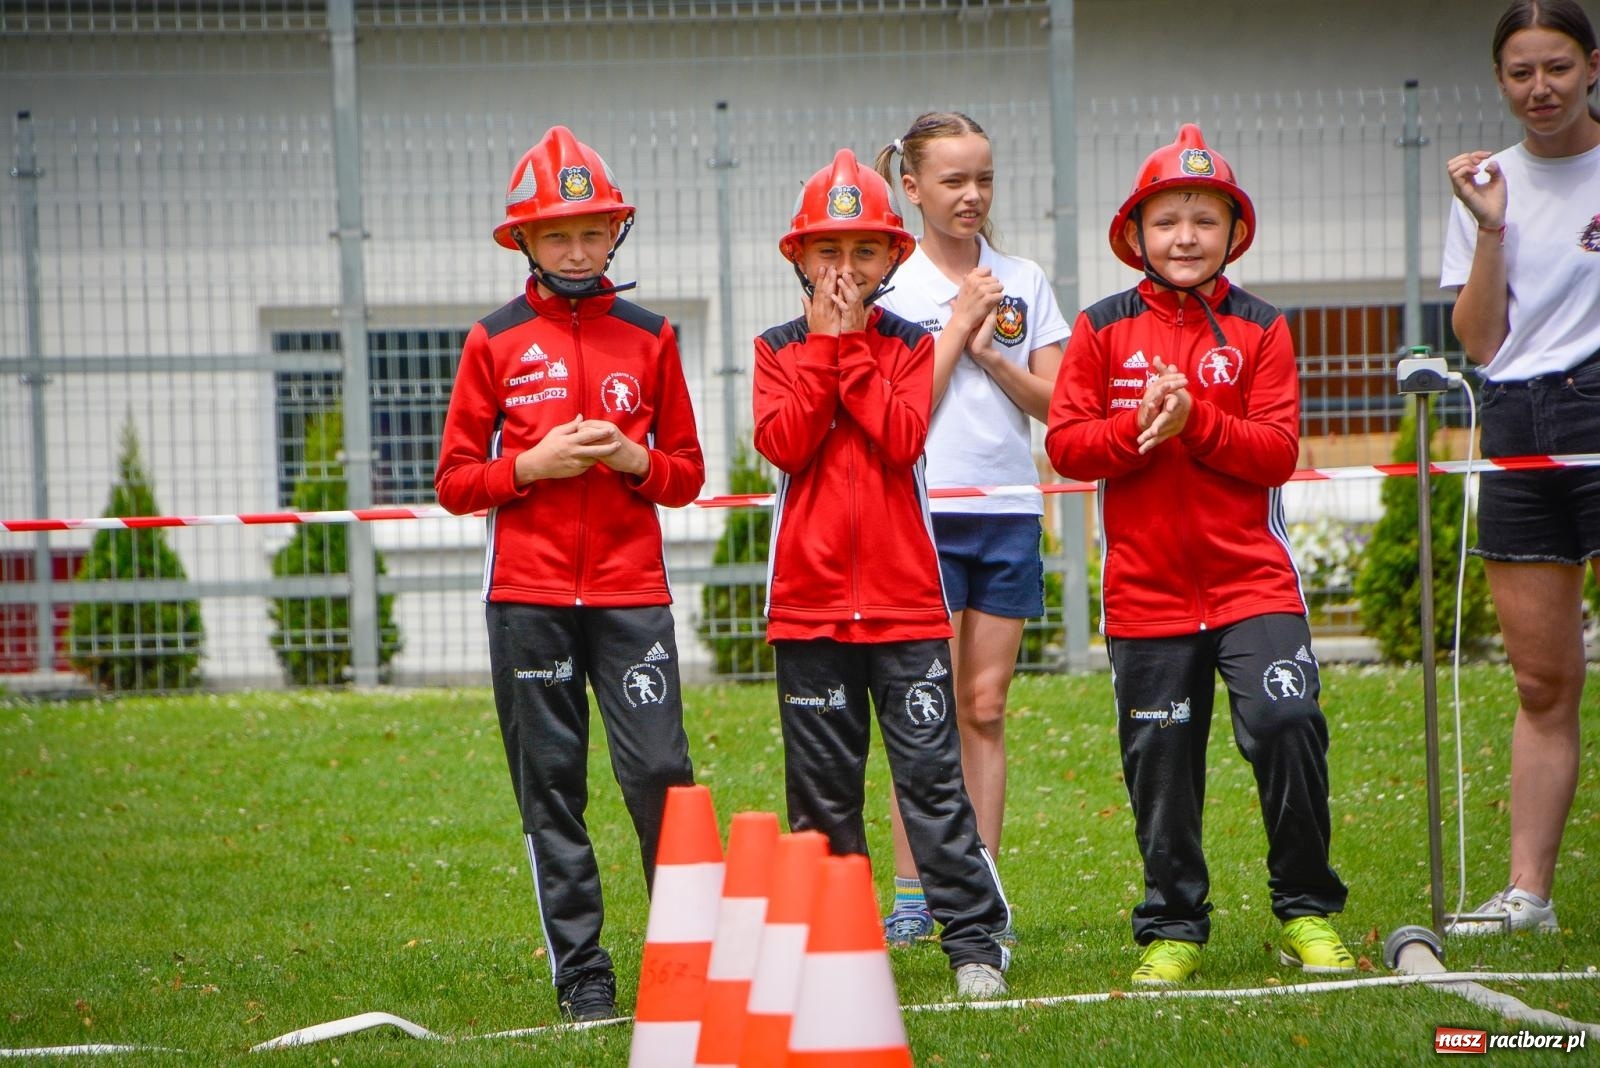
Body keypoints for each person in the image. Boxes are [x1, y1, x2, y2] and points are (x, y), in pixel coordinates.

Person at [1044, 124, 1352, 985]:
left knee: (1289, 726)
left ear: (1232, 233)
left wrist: (1199, 423)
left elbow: (1277, 451)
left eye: (1204, 220)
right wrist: (1142, 430)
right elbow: (1068, 446)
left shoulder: (1262, 329)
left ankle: (1307, 913)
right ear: (1136, 235)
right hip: (1146, 595)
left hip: (1255, 586)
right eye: (1168, 220)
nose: (1185, 237)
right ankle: (1173, 926)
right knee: (1161, 766)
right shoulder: (1101, 330)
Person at [434, 125, 705, 1021]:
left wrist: (633, 457)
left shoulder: (654, 336)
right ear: (525, 241)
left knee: (661, 772)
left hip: (632, 597)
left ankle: (687, 965)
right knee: (553, 787)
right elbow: (453, 483)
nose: (579, 250)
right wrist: (529, 468)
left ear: (615, 234)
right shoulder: (492, 341)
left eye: (594, 232)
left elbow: (689, 475)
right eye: (559, 235)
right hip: (529, 600)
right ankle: (583, 974)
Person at [753, 147, 1013, 999]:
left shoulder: (909, 346)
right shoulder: (773, 349)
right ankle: (838, 951)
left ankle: (975, 944)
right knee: (822, 798)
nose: (845, 269)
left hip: (905, 609)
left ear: (893, 259)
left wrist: (851, 349)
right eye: (827, 250)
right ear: (798, 256)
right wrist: (823, 351)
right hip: (810, 612)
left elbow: (899, 436)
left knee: (932, 784)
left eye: (864, 251)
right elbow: (787, 442)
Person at [871, 113, 1070, 947]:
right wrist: (959, 327)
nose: (972, 195)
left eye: (983, 178)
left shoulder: (1021, 277)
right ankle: (915, 894)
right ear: (912, 189)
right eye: (953, 181)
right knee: (924, 710)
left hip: (1007, 513)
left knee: (983, 708)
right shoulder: (890, 283)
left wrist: (995, 355)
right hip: (921, 514)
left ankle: (979, 895)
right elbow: (898, 415)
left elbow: (1058, 407)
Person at [1441, 0, 1600, 936]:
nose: (1539, 89)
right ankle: (1527, 897)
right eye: (1519, 73)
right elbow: (1478, 341)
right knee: (1543, 683)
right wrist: (1491, 226)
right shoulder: (1484, 181)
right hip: (1516, 419)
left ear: (1591, 66)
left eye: (1556, 68)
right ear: (1501, 81)